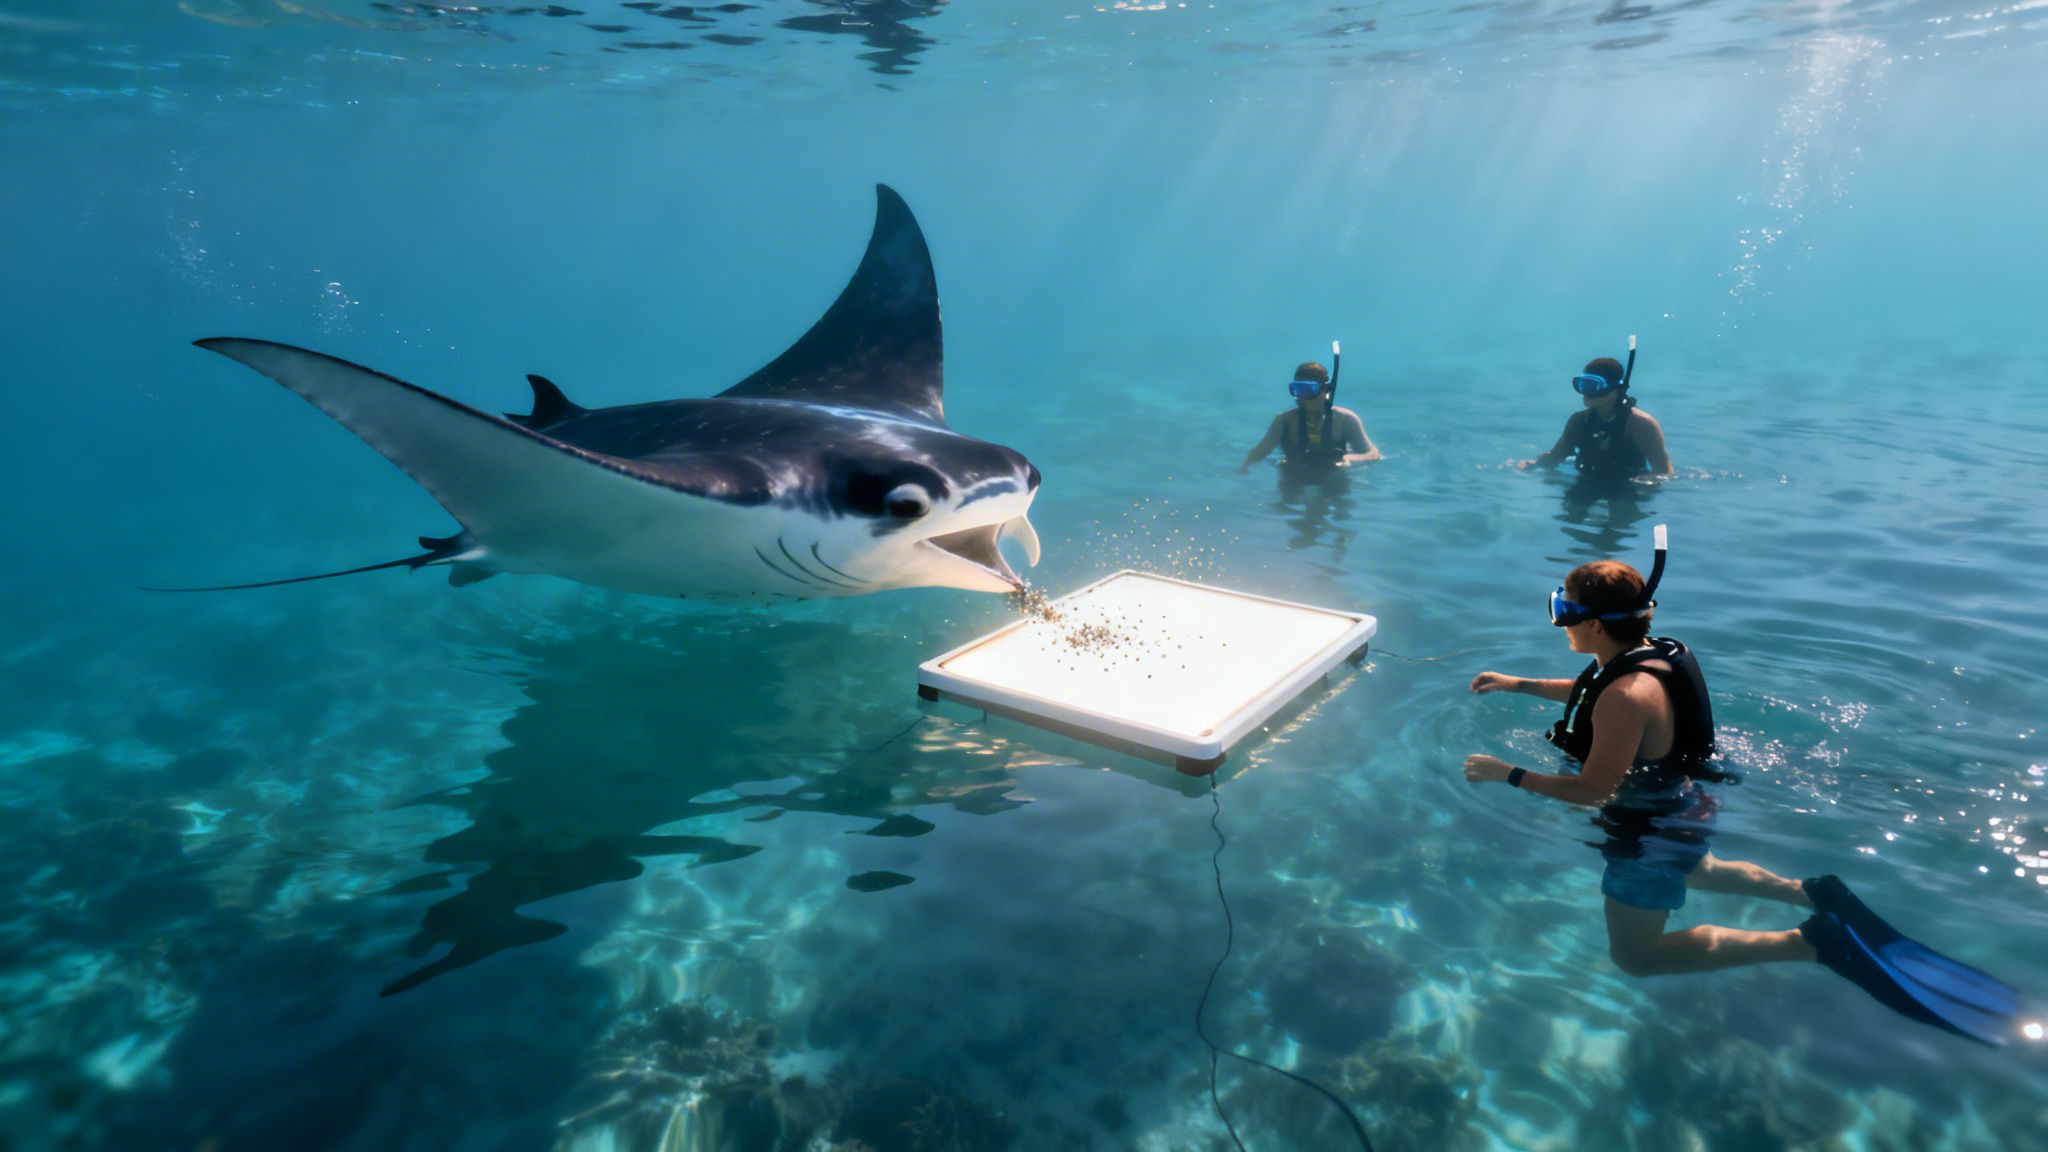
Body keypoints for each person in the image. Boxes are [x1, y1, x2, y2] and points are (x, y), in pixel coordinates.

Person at [1460, 533, 2020, 1044]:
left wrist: (1506, 773)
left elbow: (1594, 790)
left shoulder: (1626, 694)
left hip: (1649, 831)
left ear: (1595, 624)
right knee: (1697, 868)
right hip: (1687, 807)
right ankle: (1812, 891)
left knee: (1636, 955)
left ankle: (1808, 943)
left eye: (1563, 612)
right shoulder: (1651, 655)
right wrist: (1518, 684)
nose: (1560, 622)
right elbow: (1592, 692)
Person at [1519, 356, 1672, 479]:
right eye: (1581, 386)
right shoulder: (1578, 421)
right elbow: (1556, 456)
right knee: (1569, 517)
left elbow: (1665, 472)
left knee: (1622, 516)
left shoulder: (1641, 425)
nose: (1585, 394)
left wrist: (1647, 484)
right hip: (1587, 481)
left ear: (1614, 392)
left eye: (1592, 386)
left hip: (1628, 488)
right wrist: (1533, 465)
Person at [1238, 361, 1380, 474]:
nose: (1303, 397)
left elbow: (1373, 455)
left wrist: (1349, 459)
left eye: (1309, 390)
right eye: (1298, 390)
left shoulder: (1345, 420)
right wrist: (1245, 465)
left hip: (1333, 476)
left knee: (1341, 505)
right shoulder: (1284, 421)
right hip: (1294, 474)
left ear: (1325, 390)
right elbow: (1262, 450)